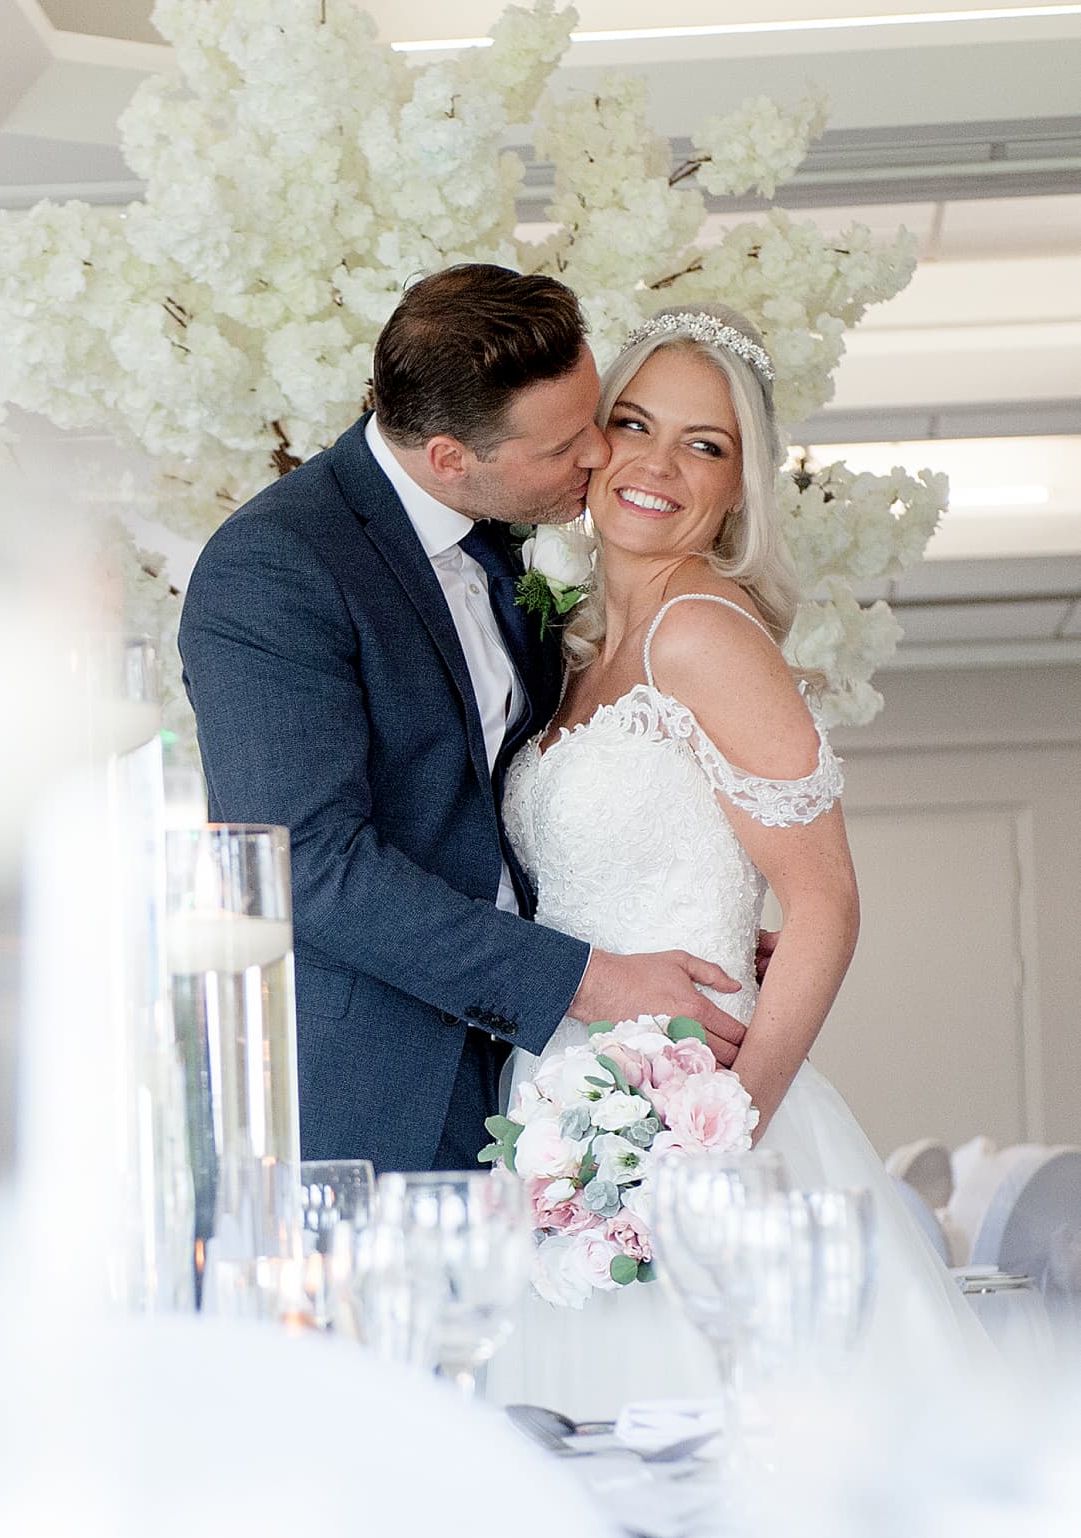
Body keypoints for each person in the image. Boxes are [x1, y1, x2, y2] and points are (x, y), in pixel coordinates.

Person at [487, 303, 985, 1415]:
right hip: (559, 1108)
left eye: (703, 445)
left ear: (737, 486)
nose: (656, 464)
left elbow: (823, 906)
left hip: (695, 1116)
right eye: (633, 422)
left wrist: (719, 1140)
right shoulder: (576, 650)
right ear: (590, 440)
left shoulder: (704, 631)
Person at [181, 267, 751, 1173]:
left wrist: (673, 881)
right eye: (567, 444)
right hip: (378, 1088)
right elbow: (308, 865)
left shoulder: (500, 532)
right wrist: (588, 982)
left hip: (544, 1074)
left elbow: (501, 794)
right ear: (451, 456)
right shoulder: (276, 568)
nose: (602, 454)